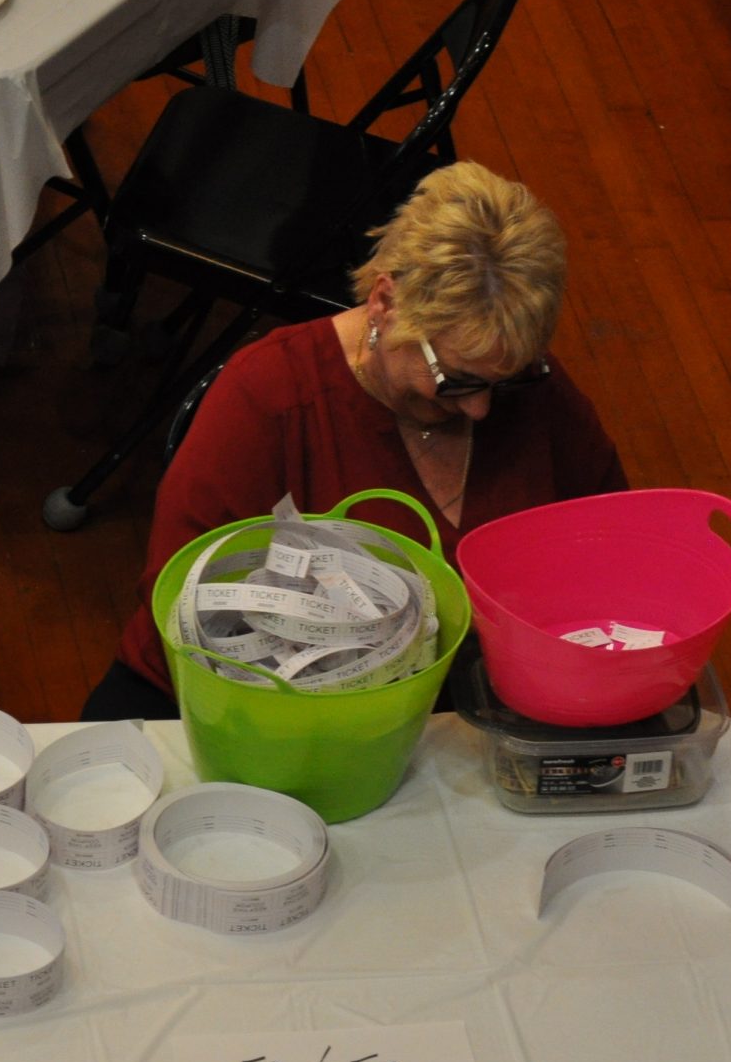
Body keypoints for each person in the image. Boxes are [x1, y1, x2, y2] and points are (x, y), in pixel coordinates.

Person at [82, 161, 627, 722]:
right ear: (385, 304)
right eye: (456, 381)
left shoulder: (526, 385)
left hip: (456, 712)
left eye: (506, 381)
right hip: (247, 709)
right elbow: (186, 601)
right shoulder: (270, 396)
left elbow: (617, 547)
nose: (480, 408)